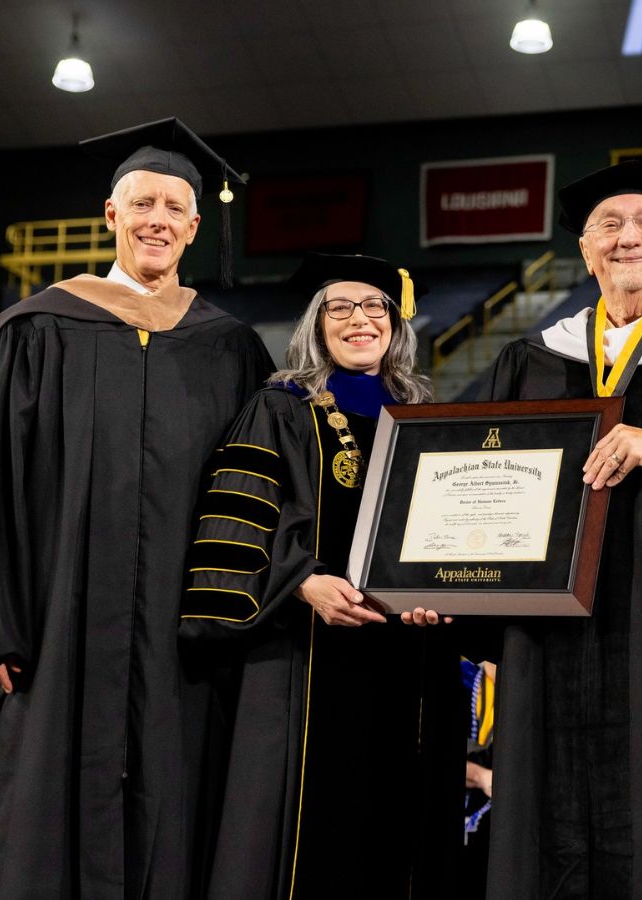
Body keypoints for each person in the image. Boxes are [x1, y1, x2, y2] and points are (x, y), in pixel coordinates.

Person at [0, 118, 273, 898]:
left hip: (181, 635)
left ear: (194, 226)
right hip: (56, 626)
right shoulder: (39, 328)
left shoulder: (231, 349)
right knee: (43, 803)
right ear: (110, 216)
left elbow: (257, 489)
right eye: (142, 203)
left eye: (174, 209)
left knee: (172, 803)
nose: (157, 220)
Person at [444, 161, 642, 898]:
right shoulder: (530, 358)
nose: (629, 239)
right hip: (545, 637)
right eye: (610, 227)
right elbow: (473, 487)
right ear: (586, 252)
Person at [180, 254, 463, 899]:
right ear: (317, 324)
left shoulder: (428, 417)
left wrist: (442, 596)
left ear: (395, 325)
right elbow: (234, 523)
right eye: (341, 308)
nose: (361, 320)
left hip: (408, 656)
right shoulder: (279, 409)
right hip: (304, 653)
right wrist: (301, 581)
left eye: (376, 308)